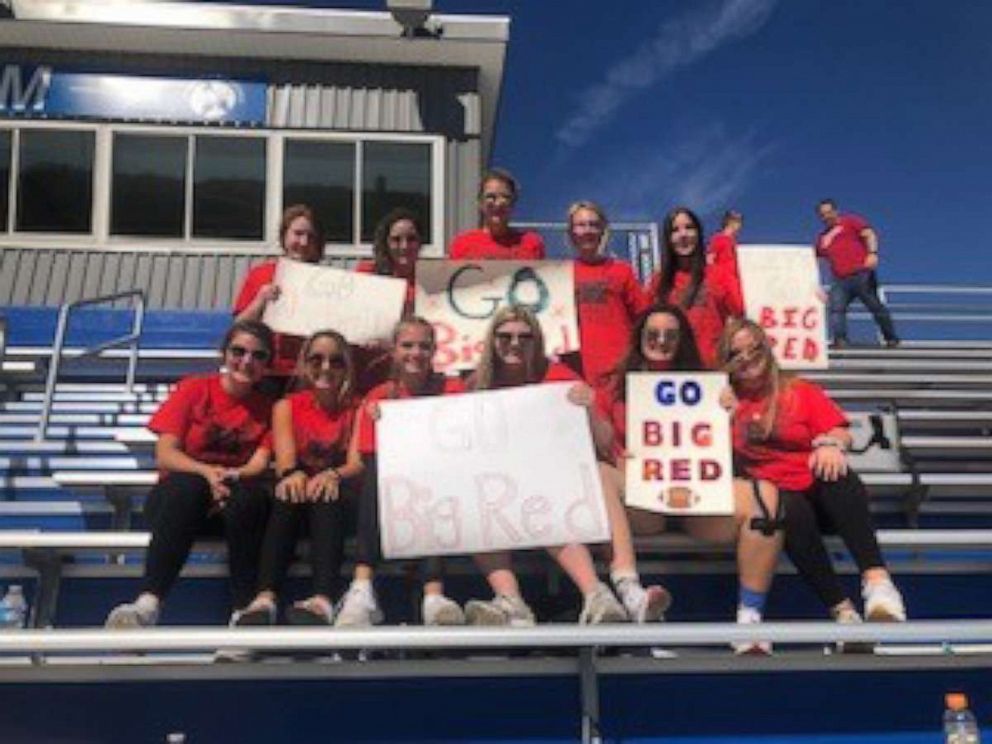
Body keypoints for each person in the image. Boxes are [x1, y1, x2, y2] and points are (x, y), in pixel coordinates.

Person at [462, 305, 666, 625]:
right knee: (471, 490)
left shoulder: (560, 378)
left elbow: (604, 442)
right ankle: (511, 601)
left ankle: (618, 591)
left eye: (524, 337)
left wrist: (587, 409)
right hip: (507, 492)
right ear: (492, 340)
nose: (514, 343)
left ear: (537, 341)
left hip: (562, 490)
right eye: (505, 336)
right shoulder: (476, 386)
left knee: (557, 489)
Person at [597, 304, 783, 654]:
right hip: (644, 500)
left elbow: (732, 451)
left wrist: (731, 417)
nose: (661, 341)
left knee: (766, 495)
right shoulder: (614, 387)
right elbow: (602, 439)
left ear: (682, 340)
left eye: (671, 335)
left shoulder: (711, 385)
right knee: (600, 474)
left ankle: (750, 618)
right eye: (653, 334)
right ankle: (630, 591)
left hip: (699, 500)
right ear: (639, 338)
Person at [718, 318, 907, 631]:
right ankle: (843, 612)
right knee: (784, 507)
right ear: (726, 361)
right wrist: (719, 414)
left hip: (819, 490)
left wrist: (831, 443)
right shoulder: (722, 401)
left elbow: (840, 431)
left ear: (767, 350)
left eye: (756, 349)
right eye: (737, 354)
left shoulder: (799, 390)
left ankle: (878, 584)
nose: (748, 358)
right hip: (779, 499)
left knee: (838, 476)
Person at [105, 320, 275, 628]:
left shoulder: (268, 408)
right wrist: (207, 473)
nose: (247, 361)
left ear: (267, 365)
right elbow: (166, 454)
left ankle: (243, 610)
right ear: (224, 354)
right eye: (238, 351)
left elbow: (258, 464)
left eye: (258, 355)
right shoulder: (194, 388)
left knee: (250, 499)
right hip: (179, 504)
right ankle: (148, 603)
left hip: (228, 505)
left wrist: (228, 478)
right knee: (190, 486)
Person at [333, 316, 467, 627]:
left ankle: (434, 595)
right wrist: (381, 424)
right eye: (407, 345)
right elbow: (369, 457)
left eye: (423, 346)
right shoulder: (380, 396)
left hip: (443, 492)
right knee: (376, 470)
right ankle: (362, 588)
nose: (415, 353)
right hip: (396, 496)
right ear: (393, 351)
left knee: (435, 477)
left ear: (434, 350)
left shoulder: (453, 389)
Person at [236, 331, 362, 626]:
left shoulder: (357, 408)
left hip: (339, 500)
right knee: (287, 493)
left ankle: (323, 599)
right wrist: (295, 476)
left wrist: (332, 475)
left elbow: (356, 464)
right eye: (316, 359)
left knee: (326, 493)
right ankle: (265, 599)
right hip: (301, 497)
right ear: (304, 364)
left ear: (347, 367)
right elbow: (286, 462)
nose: (326, 367)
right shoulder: (287, 406)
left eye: (336, 361)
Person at [233, 204, 324, 388]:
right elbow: (238, 328)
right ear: (284, 236)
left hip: (309, 373)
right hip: (265, 371)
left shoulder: (329, 282)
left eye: (310, 236)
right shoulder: (260, 274)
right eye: (297, 234)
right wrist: (260, 300)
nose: (304, 242)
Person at [565, 200, 650, 388]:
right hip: (578, 376)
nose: (587, 231)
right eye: (581, 225)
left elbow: (644, 319)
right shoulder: (561, 274)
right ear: (571, 233)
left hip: (621, 373)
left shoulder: (622, 271)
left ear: (603, 231)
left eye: (593, 225)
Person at [647, 207, 743, 369]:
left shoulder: (719, 275)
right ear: (668, 238)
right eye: (675, 230)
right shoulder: (659, 281)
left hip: (714, 372)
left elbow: (741, 314)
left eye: (689, 228)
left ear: (698, 233)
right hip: (670, 373)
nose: (683, 234)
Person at [353, 208, 424, 393]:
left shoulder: (431, 283)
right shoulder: (366, 275)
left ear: (420, 243)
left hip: (415, 378)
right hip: (372, 373)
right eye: (396, 239)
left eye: (411, 239)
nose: (404, 245)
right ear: (385, 242)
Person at [814, 199, 899, 349]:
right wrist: (818, 285)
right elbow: (816, 261)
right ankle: (840, 340)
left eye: (829, 212)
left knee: (875, 305)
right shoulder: (822, 239)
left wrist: (872, 253)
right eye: (823, 214)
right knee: (836, 309)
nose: (827, 216)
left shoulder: (850, 221)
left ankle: (891, 338)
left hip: (861, 273)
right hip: (839, 279)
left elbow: (869, 234)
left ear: (835, 211)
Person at [449, 168, 545, 260]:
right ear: (480, 203)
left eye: (505, 197)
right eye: (491, 196)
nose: (498, 204)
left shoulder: (531, 243)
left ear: (513, 203)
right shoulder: (462, 245)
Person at [707, 209, 742, 283]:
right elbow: (710, 260)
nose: (740, 226)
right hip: (722, 284)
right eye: (738, 221)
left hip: (733, 284)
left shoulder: (733, 243)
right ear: (730, 222)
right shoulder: (718, 238)